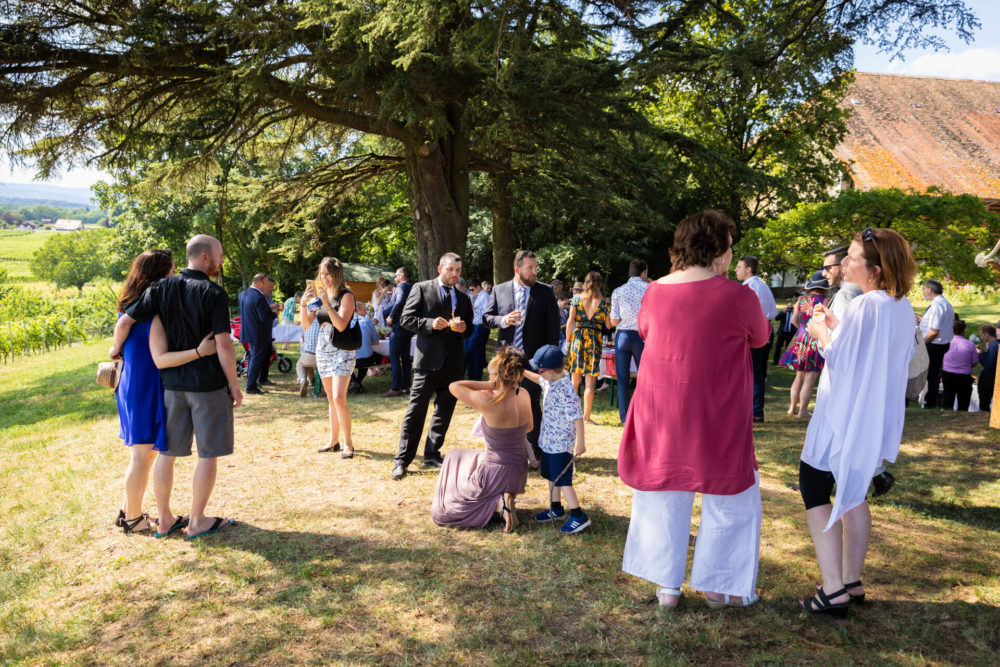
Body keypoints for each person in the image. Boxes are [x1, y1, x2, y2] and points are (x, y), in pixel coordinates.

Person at [618, 211, 770, 609]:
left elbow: (651, 332)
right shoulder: (739, 295)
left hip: (662, 404)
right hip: (716, 407)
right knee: (731, 494)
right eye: (730, 246)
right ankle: (719, 586)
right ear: (719, 250)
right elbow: (761, 337)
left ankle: (666, 586)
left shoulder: (655, 292)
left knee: (665, 488)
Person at [795, 227, 917, 617]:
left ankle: (832, 591)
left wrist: (819, 333)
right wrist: (835, 326)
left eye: (851, 258)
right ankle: (851, 580)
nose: (842, 264)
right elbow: (871, 356)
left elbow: (845, 362)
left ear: (876, 270)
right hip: (870, 414)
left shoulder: (868, 305)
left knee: (814, 483)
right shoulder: (898, 305)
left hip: (843, 412)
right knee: (854, 490)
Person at [114, 234, 241, 540]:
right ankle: (196, 521)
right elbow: (223, 345)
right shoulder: (214, 293)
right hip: (205, 385)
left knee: (166, 454)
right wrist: (235, 386)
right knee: (207, 454)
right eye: (220, 255)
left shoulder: (159, 289)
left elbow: (126, 321)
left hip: (170, 386)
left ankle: (164, 520)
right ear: (206, 257)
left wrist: (114, 350)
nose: (223, 260)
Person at [431, 347, 537, 532]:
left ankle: (499, 504)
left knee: (442, 512)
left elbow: (454, 386)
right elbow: (529, 428)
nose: (489, 379)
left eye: (491, 375)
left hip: (494, 475)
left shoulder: (488, 400)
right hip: (518, 475)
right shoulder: (525, 395)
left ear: (498, 375)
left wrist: (491, 385)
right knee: (459, 455)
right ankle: (500, 502)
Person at [109, 249, 175, 534]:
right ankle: (134, 519)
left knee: (145, 454)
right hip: (142, 384)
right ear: (159, 273)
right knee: (142, 455)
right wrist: (113, 348)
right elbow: (123, 325)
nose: (175, 274)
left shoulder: (139, 301)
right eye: (171, 270)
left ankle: (127, 511)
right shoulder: (147, 304)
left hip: (138, 382)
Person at [391, 253, 474, 480]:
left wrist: (464, 329)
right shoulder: (421, 288)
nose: (455, 275)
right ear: (440, 269)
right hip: (427, 363)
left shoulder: (464, 298)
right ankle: (402, 460)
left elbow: (471, 330)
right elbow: (406, 319)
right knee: (416, 411)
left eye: (458, 271)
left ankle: (432, 453)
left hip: (453, 365)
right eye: (450, 270)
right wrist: (429, 323)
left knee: (444, 412)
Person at [483, 250, 561, 457]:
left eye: (536, 268)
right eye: (530, 268)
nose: (534, 272)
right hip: (505, 360)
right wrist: (504, 320)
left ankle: (536, 450)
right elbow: (487, 317)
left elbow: (553, 328)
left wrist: (547, 360)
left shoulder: (545, 292)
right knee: (503, 401)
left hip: (534, 360)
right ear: (517, 270)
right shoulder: (499, 290)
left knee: (530, 403)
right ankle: (507, 448)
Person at [523, 345, 589, 534]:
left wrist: (581, 443)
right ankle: (556, 508)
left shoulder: (566, 391)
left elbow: (577, 417)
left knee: (562, 480)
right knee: (552, 476)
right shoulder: (550, 380)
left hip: (561, 446)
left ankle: (578, 515)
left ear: (549, 371)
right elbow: (538, 380)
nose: (538, 373)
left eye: (540, 370)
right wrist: (523, 371)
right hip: (549, 442)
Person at [301, 257, 358, 458]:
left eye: (327, 273)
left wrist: (327, 303)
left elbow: (341, 325)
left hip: (342, 351)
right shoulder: (319, 296)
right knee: (331, 400)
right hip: (323, 350)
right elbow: (307, 325)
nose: (324, 278)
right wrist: (303, 304)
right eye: (321, 274)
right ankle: (334, 441)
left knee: (339, 397)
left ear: (336, 274)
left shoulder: (346, 296)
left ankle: (348, 444)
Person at [780, 271, 829, 418]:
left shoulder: (801, 300)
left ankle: (792, 408)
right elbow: (824, 321)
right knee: (811, 377)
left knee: (799, 376)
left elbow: (794, 320)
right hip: (816, 337)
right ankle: (802, 412)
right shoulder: (826, 300)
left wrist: (803, 329)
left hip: (800, 337)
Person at [735, 256, 777, 423]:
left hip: (752, 333)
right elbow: (772, 311)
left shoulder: (749, 288)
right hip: (765, 330)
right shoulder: (764, 286)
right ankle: (756, 411)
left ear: (748, 269)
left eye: (738, 267)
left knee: (749, 373)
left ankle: (753, 411)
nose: (735, 270)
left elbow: (749, 315)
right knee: (757, 372)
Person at [565, 271, 610, 424]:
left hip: (578, 339)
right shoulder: (604, 302)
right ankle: (586, 417)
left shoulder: (576, 299)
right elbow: (609, 325)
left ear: (585, 283)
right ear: (600, 284)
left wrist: (567, 341)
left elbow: (570, 321)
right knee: (590, 382)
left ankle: (570, 413)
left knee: (574, 380)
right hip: (594, 340)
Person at [609, 259, 650, 424]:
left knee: (623, 378)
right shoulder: (649, 289)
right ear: (643, 272)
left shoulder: (618, 290)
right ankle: (644, 414)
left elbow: (613, 321)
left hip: (623, 336)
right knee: (645, 377)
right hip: (642, 336)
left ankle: (624, 417)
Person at [918, 279, 955, 409]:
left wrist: (921, 344)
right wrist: (923, 320)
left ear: (929, 290)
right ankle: (929, 401)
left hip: (933, 345)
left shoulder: (936, 306)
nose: (923, 292)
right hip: (941, 344)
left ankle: (929, 402)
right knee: (932, 374)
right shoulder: (946, 304)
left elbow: (934, 331)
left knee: (930, 375)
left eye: (924, 289)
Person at [238, 274, 277, 395]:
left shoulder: (242, 294)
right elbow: (264, 317)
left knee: (252, 358)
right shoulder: (259, 297)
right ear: (259, 284)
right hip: (259, 334)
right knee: (256, 360)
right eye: (266, 284)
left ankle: (252, 383)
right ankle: (251, 386)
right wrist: (275, 313)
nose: (267, 287)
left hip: (248, 332)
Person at [380, 267, 414, 397]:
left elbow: (399, 301)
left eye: (395, 276)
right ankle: (405, 386)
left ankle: (395, 388)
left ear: (401, 276)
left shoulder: (401, 287)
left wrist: (391, 316)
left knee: (394, 356)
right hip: (407, 327)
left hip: (399, 326)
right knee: (405, 357)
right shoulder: (410, 287)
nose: (394, 278)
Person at [941, 320, 978, 411]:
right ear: (963, 330)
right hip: (964, 376)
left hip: (948, 374)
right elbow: (974, 362)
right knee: (963, 402)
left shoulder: (946, 342)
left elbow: (941, 360)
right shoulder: (970, 344)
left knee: (948, 399)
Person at [822, 246, 863, 321]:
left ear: (843, 266)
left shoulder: (846, 292)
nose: (823, 273)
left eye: (828, 268)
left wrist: (818, 331)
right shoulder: (862, 287)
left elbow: (841, 330)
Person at [350, 302, 381, 394]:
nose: (366, 312)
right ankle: (357, 382)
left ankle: (356, 382)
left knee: (344, 362)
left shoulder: (346, 322)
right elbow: (376, 340)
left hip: (350, 360)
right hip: (366, 360)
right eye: (364, 310)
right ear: (357, 311)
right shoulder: (368, 322)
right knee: (367, 358)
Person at [464, 281, 491, 381]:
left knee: (469, 352)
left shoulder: (484, 296)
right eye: (470, 290)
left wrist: (474, 309)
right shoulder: (479, 295)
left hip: (481, 326)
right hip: (476, 325)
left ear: (478, 286)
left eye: (472, 289)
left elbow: (486, 312)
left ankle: (472, 377)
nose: (471, 291)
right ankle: (476, 378)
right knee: (478, 353)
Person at [297, 313, 321, 398]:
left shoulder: (305, 323)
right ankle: (323, 386)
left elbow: (303, 339)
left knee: (301, 364)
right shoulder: (325, 321)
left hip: (310, 355)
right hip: (323, 357)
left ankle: (303, 380)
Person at [977, 325, 998, 412]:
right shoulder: (996, 344)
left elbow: (988, 365)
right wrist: (983, 353)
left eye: (982, 335)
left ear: (987, 334)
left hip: (988, 378)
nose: (981, 337)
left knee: (984, 403)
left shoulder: (993, 346)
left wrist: (980, 355)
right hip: (993, 377)